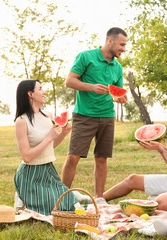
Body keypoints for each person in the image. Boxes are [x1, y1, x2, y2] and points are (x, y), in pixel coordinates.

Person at [62, 27, 128, 202]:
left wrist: (120, 98)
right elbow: (69, 81)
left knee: (102, 158)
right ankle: (61, 197)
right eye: (121, 44)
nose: (124, 48)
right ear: (110, 41)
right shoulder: (86, 57)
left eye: (125, 45)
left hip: (107, 116)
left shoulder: (118, 67)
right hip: (84, 115)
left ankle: (99, 198)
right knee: (73, 157)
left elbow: (116, 92)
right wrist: (92, 87)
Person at [13, 79, 77, 216]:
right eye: (40, 89)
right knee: (51, 210)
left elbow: (50, 146)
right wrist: (49, 137)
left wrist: (64, 133)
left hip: (48, 171)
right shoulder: (21, 121)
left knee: (69, 203)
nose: (44, 92)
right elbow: (27, 157)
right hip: (30, 175)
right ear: (30, 94)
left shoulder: (48, 115)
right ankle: (23, 197)